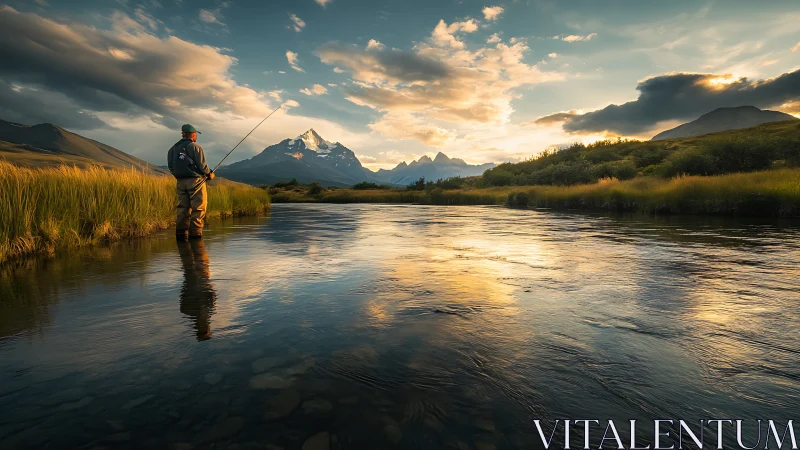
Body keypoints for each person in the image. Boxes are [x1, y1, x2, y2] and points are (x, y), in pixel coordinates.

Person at [167, 124, 215, 240]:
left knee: (182, 208)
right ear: (193, 135)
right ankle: (196, 237)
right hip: (196, 182)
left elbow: (171, 167)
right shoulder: (195, 147)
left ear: (182, 134)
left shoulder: (172, 149)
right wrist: (210, 174)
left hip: (180, 182)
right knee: (198, 208)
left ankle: (181, 235)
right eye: (195, 135)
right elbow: (203, 166)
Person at [178, 239, 217, 341]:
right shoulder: (189, 310)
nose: (207, 327)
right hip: (198, 276)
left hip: (194, 277)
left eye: (205, 330)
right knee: (198, 253)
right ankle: (193, 237)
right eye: (206, 329)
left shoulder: (187, 310)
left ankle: (189, 237)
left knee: (194, 254)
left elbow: (184, 296)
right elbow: (211, 295)